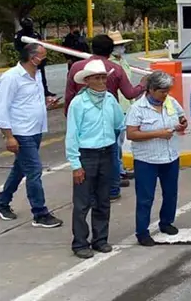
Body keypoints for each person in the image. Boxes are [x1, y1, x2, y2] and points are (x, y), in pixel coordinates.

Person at [66, 34, 145, 199]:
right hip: (109, 116)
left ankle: (93, 187)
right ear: (111, 50)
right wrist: (143, 85)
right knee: (112, 153)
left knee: (86, 156)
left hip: (83, 117)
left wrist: (70, 116)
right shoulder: (114, 68)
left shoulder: (76, 67)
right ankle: (113, 188)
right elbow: (130, 93)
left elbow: (69, 94)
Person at [0, 43, 63, 228]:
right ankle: (40, 213)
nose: (45, 59)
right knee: (34, 170)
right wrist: (9, 136)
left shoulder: (37, 75)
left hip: (35, 130)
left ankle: (2, 200)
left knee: (21, 168)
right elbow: (2, 109)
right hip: (21, 132)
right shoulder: (11, 78)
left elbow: (27, 101)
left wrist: (45, 103)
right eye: (42, 55)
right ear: (31, 57)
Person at [66, 59, 126, 258]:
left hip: (107, 153)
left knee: (103, 200)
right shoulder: (78, 103)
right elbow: (72, 135)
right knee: (82, 202)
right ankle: (80, 243)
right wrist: (76, 164)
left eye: (103, 78)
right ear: (87, 81)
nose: (102, 82)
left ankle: (100, 239)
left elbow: (119, 123)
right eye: (97, 78)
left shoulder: (109, 99)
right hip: (87, 155)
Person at [125, 71, 186, 247]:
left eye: (167, 90)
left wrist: (182, 123)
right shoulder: (137, 108)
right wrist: (158, 133)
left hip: (170, 156)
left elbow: (181, 117)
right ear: (151, 89)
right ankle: (142, 231)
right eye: (161, 91)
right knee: (145, 197)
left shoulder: (170, 102)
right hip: (147, 160)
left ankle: (166, 222)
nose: (165, 94)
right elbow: (132, 134)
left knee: (170, 193)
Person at [108, 32, 136, 183]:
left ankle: (120, 169)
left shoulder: (122, 61)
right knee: (115, 143)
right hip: (116, 105)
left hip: (126, 104)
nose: (122, 48)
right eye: (119, 46)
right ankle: (116, 173)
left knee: (120, 141)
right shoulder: (110, 64)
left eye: (122, 45)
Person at [14, 17, 53, 97]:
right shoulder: (19, 35)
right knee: (27, 77)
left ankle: (44, 91)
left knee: (41, 75)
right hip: (27, 60)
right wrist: (27, 54)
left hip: (38, 58)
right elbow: (18, 47)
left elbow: (40, 44)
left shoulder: (35, 34)